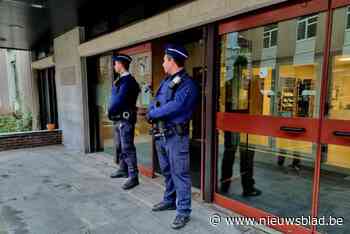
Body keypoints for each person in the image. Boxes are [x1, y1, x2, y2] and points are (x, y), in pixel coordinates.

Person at [146, 44, 199, 229]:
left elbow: (176, 106)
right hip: (162, 135)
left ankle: (183, 211)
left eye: (164, 60)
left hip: (176, 138)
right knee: (167, 171)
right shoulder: (166, 81)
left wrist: (153, 113)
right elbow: (156, 100)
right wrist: (151, 110)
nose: (162, 63)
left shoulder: (188, 85)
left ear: (172, 61)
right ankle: (169, 200)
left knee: (180, 174)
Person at [108, 53, 141, 190]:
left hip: (125, 119)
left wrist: (110, 111)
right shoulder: (121, 80)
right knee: (120, 146)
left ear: (120, 64)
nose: (114, 66)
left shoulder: (128, 81)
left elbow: (119, 100)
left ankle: (133, 177)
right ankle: (123, 169)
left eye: (115, 63)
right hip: (119, 118)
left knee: (127, 147)